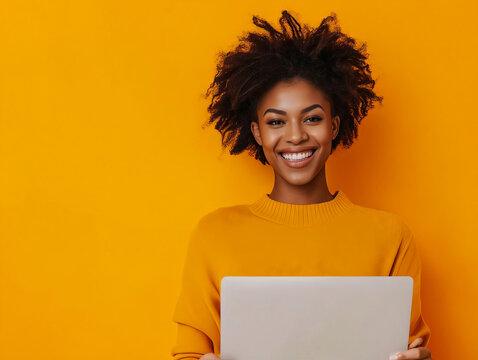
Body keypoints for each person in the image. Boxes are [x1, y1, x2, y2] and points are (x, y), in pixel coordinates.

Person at [171, 10, 432, 360]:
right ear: (257, 133)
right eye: (276, 121)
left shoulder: (391, 237)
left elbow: (410, 348)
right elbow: (187, 354)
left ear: (334, 126)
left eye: (312, 118)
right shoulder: (214, 235)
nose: (295, 136)